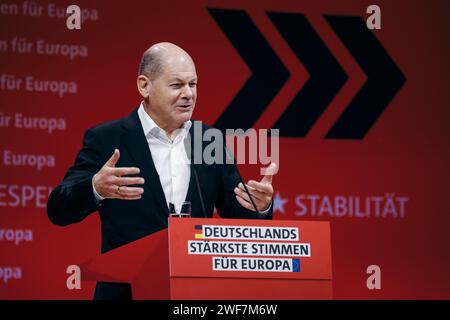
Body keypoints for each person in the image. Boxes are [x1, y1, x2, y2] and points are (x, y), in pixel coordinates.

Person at [46, 42, 275, 300]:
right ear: (144, 85)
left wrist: (260, 206)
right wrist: (95, 188)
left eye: (193, 84)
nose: (189, 94)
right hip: (127, 294)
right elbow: (58, 209)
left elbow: (237, 217)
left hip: (193, 295)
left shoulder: (208, 139)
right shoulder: (107, 139)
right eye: (177, 85)